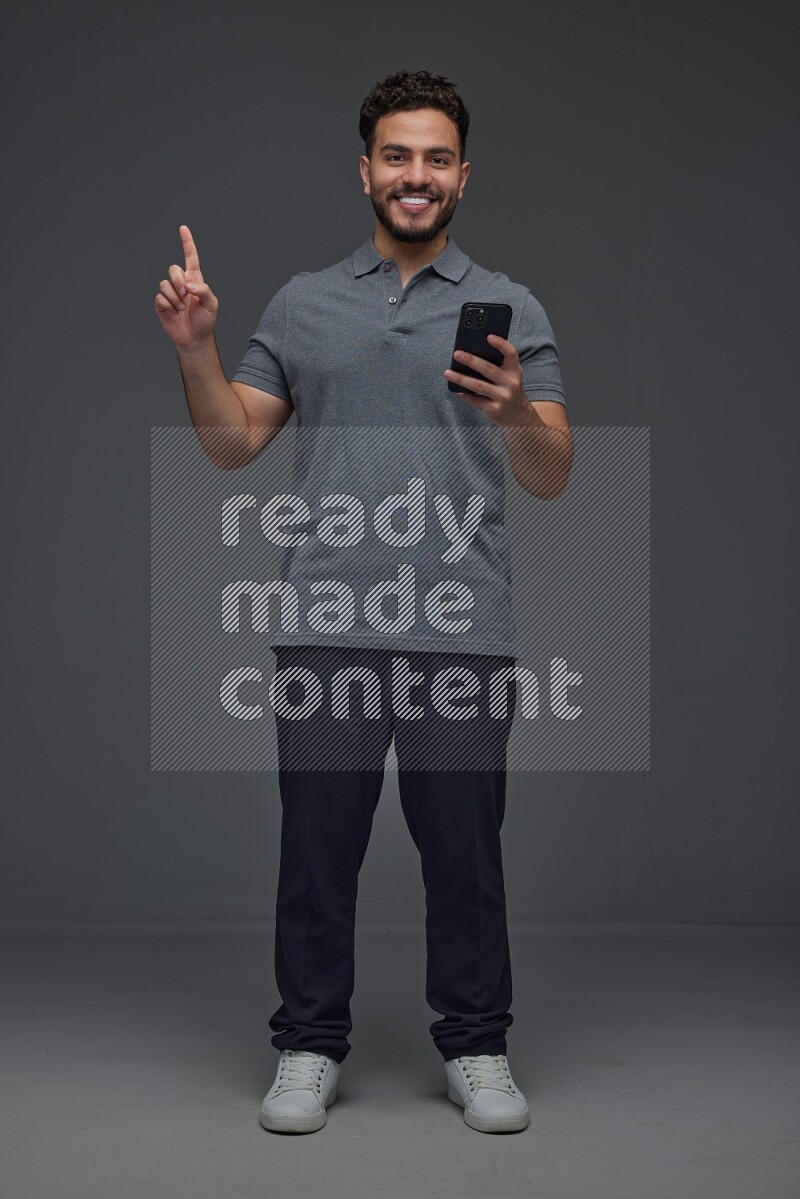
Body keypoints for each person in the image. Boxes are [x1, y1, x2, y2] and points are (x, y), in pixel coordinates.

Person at [154, 68, 572, 1136]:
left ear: (462, 176)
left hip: (460, 629)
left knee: (465, 858)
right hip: (325, 624)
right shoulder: (303, 302)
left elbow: (550, 471)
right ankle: (306, 1042)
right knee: (316, 852)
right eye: (396, 155)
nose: (415, 175)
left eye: (435, 158)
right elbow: (230, 441)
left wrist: (519, 406)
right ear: (366, 170)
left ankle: (476, 1042)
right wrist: (199, 349)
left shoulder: (512, 306)